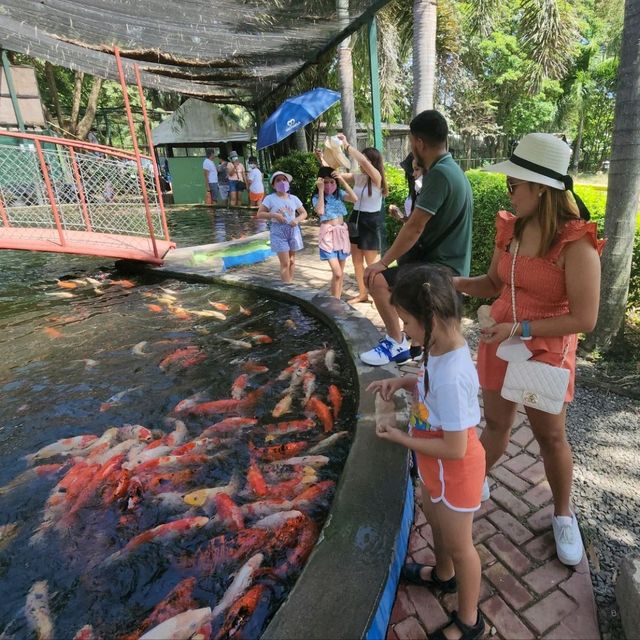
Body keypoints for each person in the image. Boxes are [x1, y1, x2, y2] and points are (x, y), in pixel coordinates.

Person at [453, 132, 604, 566]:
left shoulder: (576, 244)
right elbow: (496, 284)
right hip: (501, 341)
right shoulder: (511, 229)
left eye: (513, 184)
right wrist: (457, 284)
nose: (510, 192)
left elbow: (584, 319)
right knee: (496, 425)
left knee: (550, 436)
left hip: (544, 348)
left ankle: (562, 514)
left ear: (540, 187)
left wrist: (521, 327)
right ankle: (473, 480)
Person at [369, 266, 486, 640]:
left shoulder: (454, 374)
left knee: (460, 544)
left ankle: (470, 622)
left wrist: (402, 440)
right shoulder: (438, 346)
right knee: (435, 520)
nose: (404, 331)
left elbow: (456, 447)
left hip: (455, 468)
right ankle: (443, 575)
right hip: (435, 464)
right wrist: (401, 381)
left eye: (406, 322)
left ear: (430, 318)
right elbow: (425, 384)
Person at [359, 110, 473, 366]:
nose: (412, 148)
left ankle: (396, 342)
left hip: (441, 267)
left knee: (376, 278)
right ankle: (413, 344)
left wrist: (383, 262)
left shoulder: (439, 174)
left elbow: (415, 227)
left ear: (419, 142)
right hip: (447, 262)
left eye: (411, 143)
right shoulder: (454, 170)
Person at [335, 134, 388, 305]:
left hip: (370, 222)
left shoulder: (377, 179)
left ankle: (378, 296)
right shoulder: (359, 177)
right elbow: (337, 175)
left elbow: (363, 163)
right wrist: (324, 158)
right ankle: (363, 294)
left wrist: (347, 145)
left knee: (371, 264)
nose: (361, 162)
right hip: (355, 220)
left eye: (365, 159)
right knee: (357, 262)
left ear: (372, 161)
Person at [312, 166, 358, 298]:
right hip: (328, 236)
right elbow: (320, 211)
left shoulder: (339, 194)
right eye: (326, 182)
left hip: (342, 234)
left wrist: (342, 181)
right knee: (337, 273)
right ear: (320, 182)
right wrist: (321, 191)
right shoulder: (317, 197)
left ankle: (335, 301)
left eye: (332, 182)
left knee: (340, 274)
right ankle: (335, 301)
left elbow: (354, 199)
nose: (329, 185)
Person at [256, 171, 308, 283]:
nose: (282, 182)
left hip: (293, 231)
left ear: (288, 183)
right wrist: (273, 215)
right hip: (278, 231)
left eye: (284, 180)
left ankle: (290, 282)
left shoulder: (294, 198)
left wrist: (297, 220)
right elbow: (259, 214)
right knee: (285, 262)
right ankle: (287, 286)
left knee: (292, 260)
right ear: (273, 185)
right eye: (278, 180)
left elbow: (304, 213)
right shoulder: (270, 198)